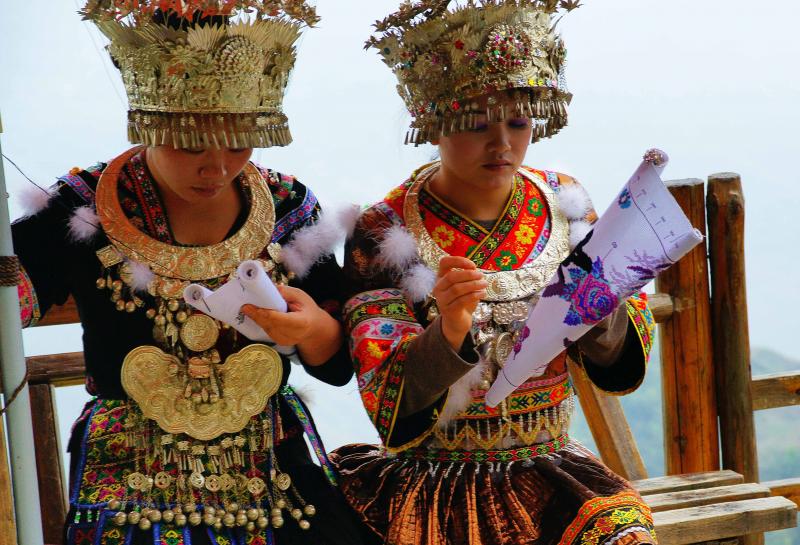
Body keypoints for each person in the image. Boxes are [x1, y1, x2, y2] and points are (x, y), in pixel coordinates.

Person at [11, 2, 377, 544]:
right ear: (147, 122)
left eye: (237, 142)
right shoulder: (81, 208)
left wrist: (313, 332)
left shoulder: (288, 204)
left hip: (272, 459)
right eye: (189, 144)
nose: (217, 166)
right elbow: (12, 303)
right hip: (131, 466)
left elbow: (336, 362)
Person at [330, 1, 659, 544]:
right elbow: (386, 394)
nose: (502, 143)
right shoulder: (385, 230)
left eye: (518, 122)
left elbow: (614, 351)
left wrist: (602, 308)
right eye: (476, 124)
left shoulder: (565, 203)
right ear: (433, 122)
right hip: (435, 481)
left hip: (553, 470)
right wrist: (449, 330)